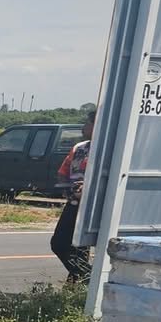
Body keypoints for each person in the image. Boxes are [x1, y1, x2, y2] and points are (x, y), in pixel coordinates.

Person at [51, 110, 94, 281]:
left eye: (88, 123)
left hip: (92, 205)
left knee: (63, 244)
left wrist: (89, 187)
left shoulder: (110, 150)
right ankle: (80, 281)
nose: (84, 126)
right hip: (74, 203)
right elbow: (63, 171)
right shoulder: (79, 148)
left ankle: (88, 278)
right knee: (66, 244)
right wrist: (66, 186)